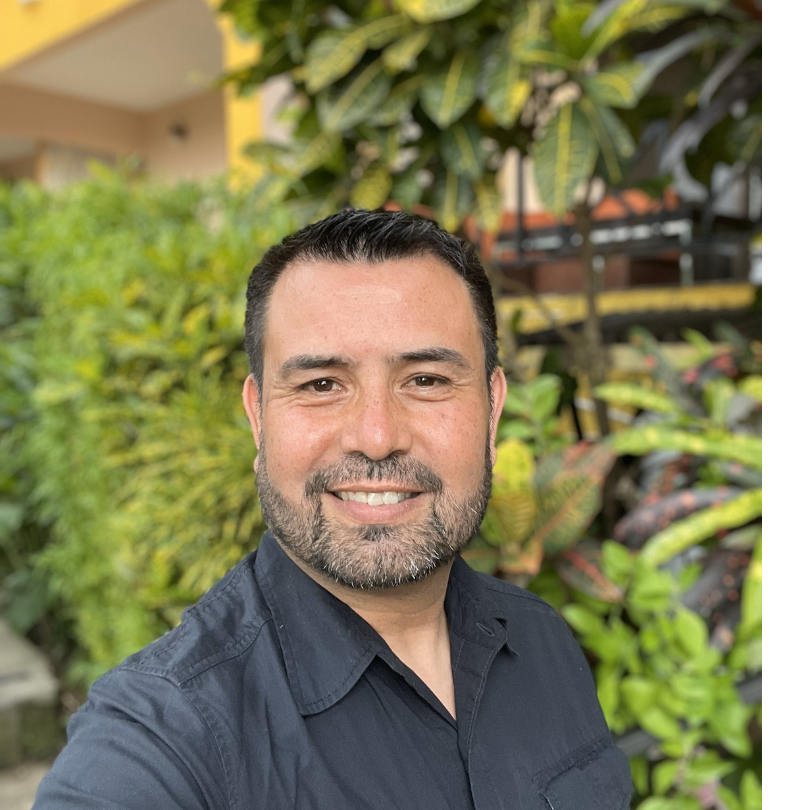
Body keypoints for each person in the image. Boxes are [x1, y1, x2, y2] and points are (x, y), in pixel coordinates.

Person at [33, 209, 633, 810]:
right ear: (258, 418)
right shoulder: (165, 738)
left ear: (493, 410)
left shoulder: (540, 641)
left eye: (426, 380)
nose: (377, 437)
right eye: (321, 385)